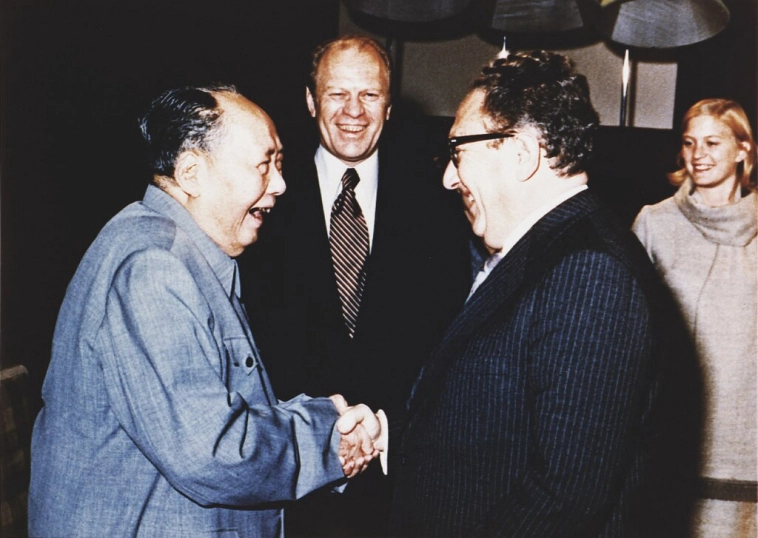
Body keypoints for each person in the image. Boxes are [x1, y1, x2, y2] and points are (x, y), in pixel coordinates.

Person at [27, 84, 387, 538]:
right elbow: (212, 452)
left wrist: (322, 422)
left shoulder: (182, 254)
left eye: (278, 163)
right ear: (192, 174)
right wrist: (328, 437)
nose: (280, 184)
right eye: (264, 165)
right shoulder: (153, 268)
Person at [390, 50, 695, 537]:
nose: (448, 177)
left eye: (458, 151)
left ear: (521, 154)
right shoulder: (548, 251)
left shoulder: (590, 273)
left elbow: (562, 498)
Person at [238, 36, 472, 537]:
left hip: (397, 481)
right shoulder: (260, 198)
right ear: (310, 101)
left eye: (369, 95)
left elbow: (445, 338)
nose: (353, 111)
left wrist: (381, 431)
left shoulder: (438, 201)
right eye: (337, 94)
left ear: (389, 105)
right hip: (286, 477)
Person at [632, 98, 757, 536]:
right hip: (675, 437)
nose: (697, 154)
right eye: (689, 143)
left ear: (743, 149)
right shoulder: (654, 224)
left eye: (712, 142)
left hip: (747, 442)